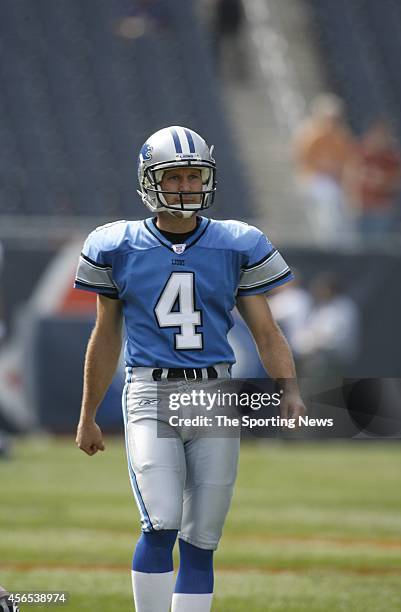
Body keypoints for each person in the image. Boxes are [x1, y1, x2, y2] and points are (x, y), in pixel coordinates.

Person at [74, 126, 305, 612]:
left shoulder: (237, 242)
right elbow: (106, 335)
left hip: (214, 394)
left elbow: (266, 331)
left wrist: (289, 388)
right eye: (174, 177)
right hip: (150, 394)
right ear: (149, 181)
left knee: (203, 536)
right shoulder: (117, 245)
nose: (186, 186)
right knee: (160, 522)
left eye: (194, 175)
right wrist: (88, 414)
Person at [293, 93, 356, 244]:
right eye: (329, 117)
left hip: (335, 180)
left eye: (335, 118)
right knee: (328, 199)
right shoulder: (310, 135)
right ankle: (327, 241)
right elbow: (303, 161)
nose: (332, 121)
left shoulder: (340, 136)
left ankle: (343, 245)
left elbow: (347, 162)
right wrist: (327, 166)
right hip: (313, 179)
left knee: (345, 208)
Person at [343, 118, 401, 240]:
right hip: (363, 206)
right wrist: (351, 198)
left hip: (382, 208)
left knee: (380, 245)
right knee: (361, 245)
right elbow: (350, 176)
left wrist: (383, 182)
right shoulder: (361, 153)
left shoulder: (391, 157)